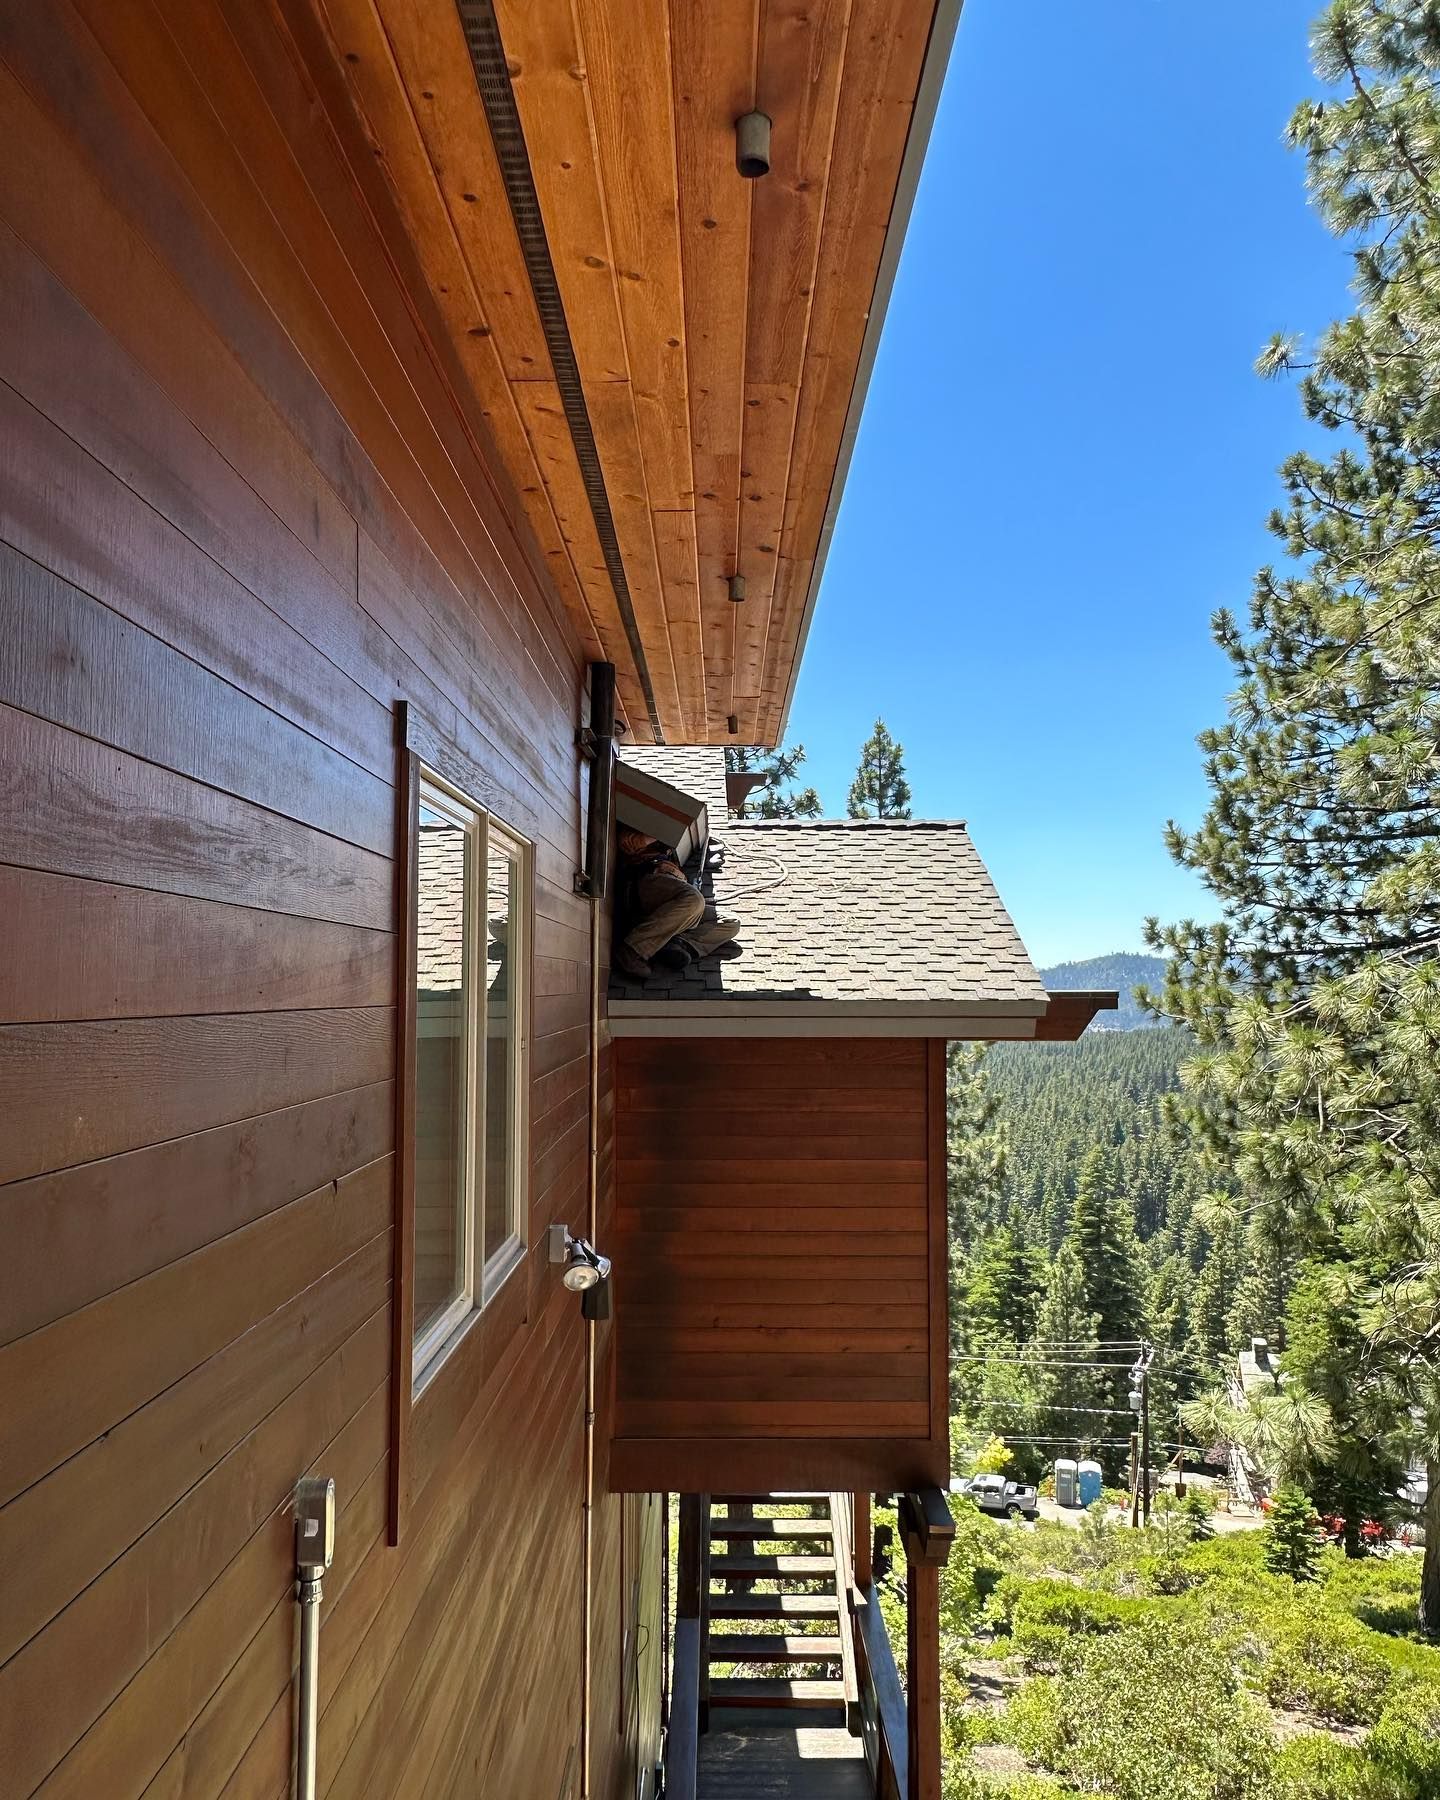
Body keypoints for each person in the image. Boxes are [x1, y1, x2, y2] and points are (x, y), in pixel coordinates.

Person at [613, 829, 737, 980]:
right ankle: (632, 950)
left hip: (676, 897)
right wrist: (663, 830)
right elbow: (626, 843)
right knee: (694, 900)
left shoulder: (676, 849)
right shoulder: (641, 825)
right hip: (649, 881)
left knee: (731, 922)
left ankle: (677, 943)